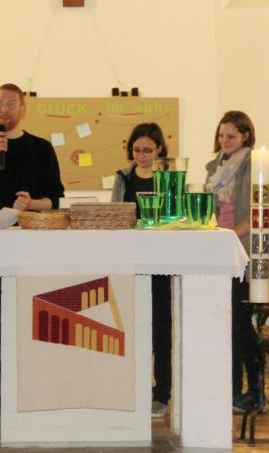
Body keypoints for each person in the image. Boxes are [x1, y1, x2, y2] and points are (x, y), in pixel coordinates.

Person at [0, 83, 65, 428]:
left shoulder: (41, 148)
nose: (3, 109)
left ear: (23, 108)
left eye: (10, 103)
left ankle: (32, 394)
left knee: (33, 323)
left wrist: (32, 204)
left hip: (33, 248)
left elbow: (55, 199)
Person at [111, 122, 172, 417]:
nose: (142, 155)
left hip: (161, 261)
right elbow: (114, 216)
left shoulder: (169, 177)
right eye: (137, 149)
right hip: (131, 260)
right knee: (131, 327)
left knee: (161, 329)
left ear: (159, 149)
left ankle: (162, 392)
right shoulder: (123, 177)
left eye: (147, 149)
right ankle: (132, 386)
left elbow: (176, 216)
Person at [204, 111, 260, 413]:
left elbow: (259, 212)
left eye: (231, 136)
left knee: (240, 322)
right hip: (219, 251)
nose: (224, 141)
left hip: (243, 251)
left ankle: (253, 389)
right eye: (222, 135)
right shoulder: (215, 167)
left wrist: (226, 236)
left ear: (246, 136)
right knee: (226, 323)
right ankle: (230, 389)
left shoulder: (255, 165)